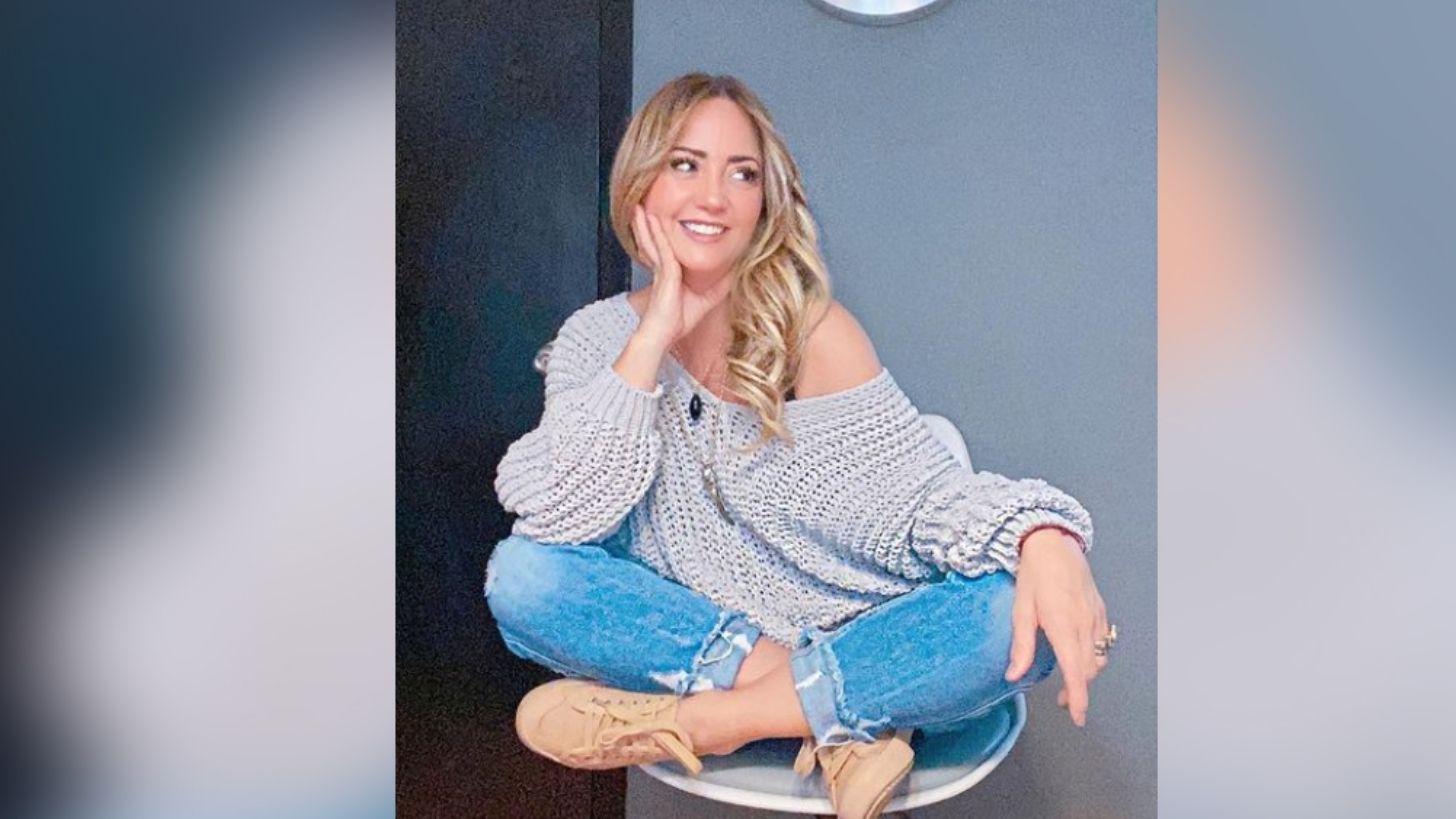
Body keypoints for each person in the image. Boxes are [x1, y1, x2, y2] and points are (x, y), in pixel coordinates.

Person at [486, 73, 1114, 819]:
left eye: (741, 174)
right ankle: (839, 720)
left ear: (764, 202)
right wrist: (651, 338)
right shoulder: (598, 338)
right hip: (719, 641)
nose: (714, 197)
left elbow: (928, 500)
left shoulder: (814, 332)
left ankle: (711, 723)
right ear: (641, 182)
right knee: (522, 576)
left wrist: (1041, 535)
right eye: (686, 164)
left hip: (869, 632)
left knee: (1011, 614)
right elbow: (559, 517)